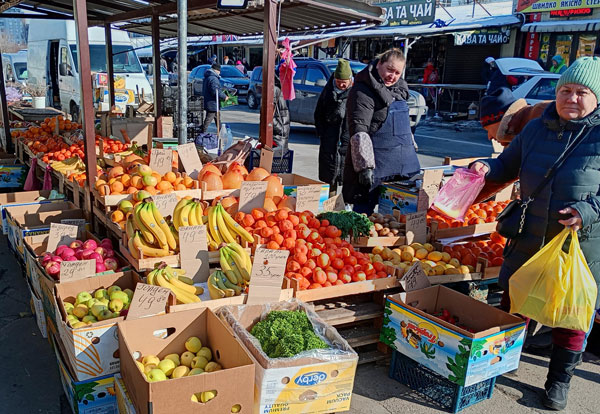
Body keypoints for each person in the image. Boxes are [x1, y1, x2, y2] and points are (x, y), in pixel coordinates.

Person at [471, 57, 600, 411]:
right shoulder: (534, 129)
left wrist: (587, 211)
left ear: (596, 98)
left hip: (578, 247)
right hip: (528, 238)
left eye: (581, 92)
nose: (571, 98)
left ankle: (558, 383)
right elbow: (506, 165)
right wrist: (485, 166)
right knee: (515, 310)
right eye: (565, 90)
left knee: (570, 319)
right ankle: (495, 366)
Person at [343, 48, 420, 215]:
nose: (392, 76)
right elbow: (359, 129)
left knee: (398, 219)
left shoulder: (399, 91)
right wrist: (365, 167)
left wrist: (411, 146)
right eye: (389, 69)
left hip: (403, 168)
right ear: (379, 64)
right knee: (364, 216)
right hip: (375, 166)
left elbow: (405, 128)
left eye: (397, 73)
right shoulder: (362, 91)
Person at [314, 59, 352, 193]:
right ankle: (329, 203)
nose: (341, 84)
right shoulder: (328, 92)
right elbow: (318, 114)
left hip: (348, 141)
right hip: (329, 140)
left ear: (350, 80)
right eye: (339, 81)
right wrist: (322, 134)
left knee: (348, 177)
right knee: (329, 176)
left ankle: (345, 205)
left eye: (344, 82)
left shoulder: (355, 94)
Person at [201, 63, 228, 133]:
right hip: (212, 103)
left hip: (211, 102)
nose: (220, 72)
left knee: (217, 119)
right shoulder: (213, 79)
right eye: (219, 71)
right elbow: (215, 91)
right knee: (208, 120)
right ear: (216, 70)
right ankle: (201, 133)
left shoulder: (208, 77)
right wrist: (224, 96)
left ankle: (221, 132)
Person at [272, 75, 290, 154]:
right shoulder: (276, 89)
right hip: (279, 134)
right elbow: (270, 115)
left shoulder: (276, 89)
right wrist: (281, 130)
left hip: (280, 134)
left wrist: (281, 130)